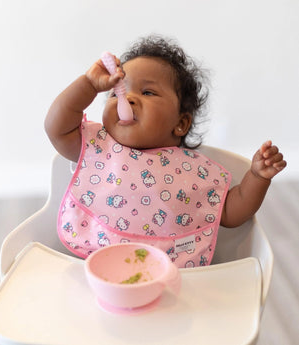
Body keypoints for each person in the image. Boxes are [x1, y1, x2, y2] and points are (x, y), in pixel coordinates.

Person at [44, 35, 286, 268]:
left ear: (181, 123)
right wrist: (88, 85)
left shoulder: (194, 171)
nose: (126, 98)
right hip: (94, 266)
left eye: (147, 92)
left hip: (172, 278)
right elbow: (56, 128)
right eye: (116, 91)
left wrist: (257, 177)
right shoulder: (98, 146)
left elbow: (232, 212)